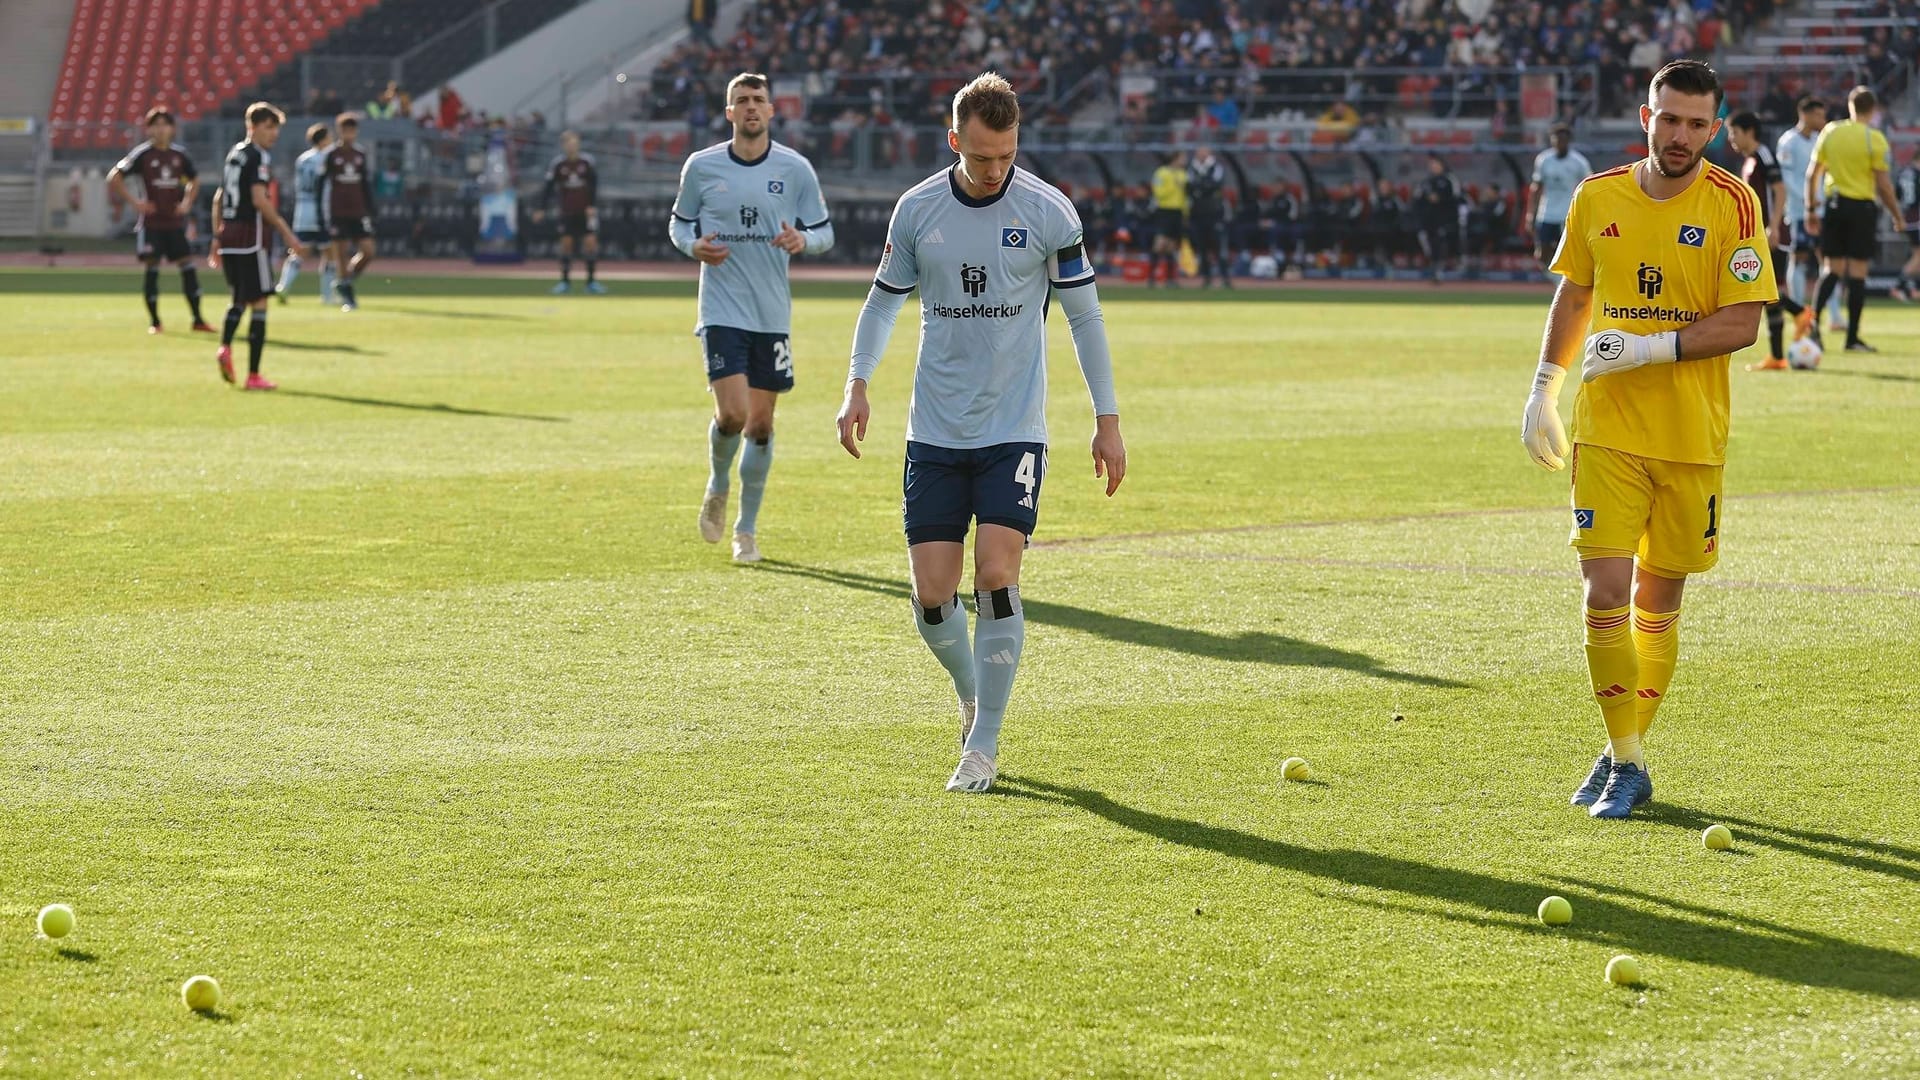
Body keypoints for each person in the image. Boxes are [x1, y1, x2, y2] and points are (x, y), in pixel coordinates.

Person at [834, 72, 1124, 795]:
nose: (996, 170)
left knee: (996, 573)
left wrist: (1107, 419)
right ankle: (971, 693)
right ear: (955, 139)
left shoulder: (1050, 212)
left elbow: (1085, 319)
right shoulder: (918, 210)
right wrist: (857, 382)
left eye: (1007, 156)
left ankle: (984, 745)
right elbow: (880, 305)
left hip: (1013, 427)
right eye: (983, 156)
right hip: (934, 429)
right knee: (933, 596)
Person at [1518, 60, 1773, 821]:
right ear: (1645, 116)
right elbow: (1576, 290)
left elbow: (1745, 321)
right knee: (1602, 594)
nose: (1681, 136)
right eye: (1669, 119)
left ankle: (1621, 748)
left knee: (1658, 599)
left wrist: (1646, 347)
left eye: (1698, 123)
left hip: (1692, 437)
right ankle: (1629, 760)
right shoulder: (1597, 196)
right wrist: (1542, 387)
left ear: (1715, 128)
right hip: (1610, 433)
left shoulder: (1735, 201)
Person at [668, 73, 833, 564]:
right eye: (741, 100)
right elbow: (680, 222)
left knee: (760, 426)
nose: (751, 107)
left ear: (772, 110)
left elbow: (824, 232)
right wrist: (691, 245)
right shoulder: (701, 166)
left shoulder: (795, 168)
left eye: (759, 99)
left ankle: (747, 529)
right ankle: (718, 484)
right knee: (733, 414)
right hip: (721, 308)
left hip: (771, 313)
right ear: (729, 113)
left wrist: (804, 241)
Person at [206, 102, 307, 391]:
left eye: (275, 127)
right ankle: (253, 375)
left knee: (238, 298)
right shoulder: (258, 157)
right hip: (252, 237)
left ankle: (225, 346)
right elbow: (260, 200)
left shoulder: (233, 155)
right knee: (260, 303)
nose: (273, 133)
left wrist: (216, 237)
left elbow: (218, 198)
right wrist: (288, 234)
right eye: (268, 127)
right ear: (252, 127)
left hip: (229, 236)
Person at [1805, 86, 1902, 353]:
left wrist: (1810, 209)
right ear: (1872, 110)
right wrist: (1897, 216)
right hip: (1861, 208)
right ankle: (1852, 339)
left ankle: (1812, 327)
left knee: (1831, 269)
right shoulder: (1874, 139)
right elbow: (1883, 185)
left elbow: (1813, 173)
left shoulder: (1831, 131)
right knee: (1858, 273)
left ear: (1850, 105)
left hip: (1834, 206)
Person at [107, 107, 211, 334]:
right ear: (149, 129)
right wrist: (135, 203)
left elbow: (195, 180)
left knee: (188, 266)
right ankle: (155, 322)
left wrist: (186, 203)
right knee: (152, 269)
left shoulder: (179, 155)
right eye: (156, 124)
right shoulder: (142, 155)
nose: (161, 129)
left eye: (165, 124)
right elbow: (114, 177)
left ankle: (198, 319)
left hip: (174, 223)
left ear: (172, 129)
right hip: (152, 223)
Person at [1727, 112, 1811, 370]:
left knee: (1766, 292)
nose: (1731, 138)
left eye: (1734, 132)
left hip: (1771, 234)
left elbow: (1780, 190)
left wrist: (1773, 226)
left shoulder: (1763, 156)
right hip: (1759, 234)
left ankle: (1800, 312)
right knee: (1768, 295)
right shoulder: (1751, 160)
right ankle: (1777, 356)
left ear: (1749, 131)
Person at [1773, 96, 1826, 310]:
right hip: (1798, 211)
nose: (1823, 119)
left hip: (1820, 208)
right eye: (1818, 115)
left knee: (1827, 259)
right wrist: (1806, 199)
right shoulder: (1788, 141)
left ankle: (1831, 313)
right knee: (1799, 256)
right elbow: (1786, 178)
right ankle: (1798, 306)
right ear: (1805, 114)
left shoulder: (1818, 140)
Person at [321, 113, 377, 311]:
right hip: (338, 212)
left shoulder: (360, 155)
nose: (349, 134)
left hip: (358, 211)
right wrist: (323, 212)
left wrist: (371, 209)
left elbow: (365, 183)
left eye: (352, 130)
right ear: (339, 131)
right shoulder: (331, 155)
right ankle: (348, 298)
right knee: (341, 255)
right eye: (346, 130)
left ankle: (345, 282)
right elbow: (322, 184)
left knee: (369, 251)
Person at [276, 123, 335, 304]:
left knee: (299, 251)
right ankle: (327, 296)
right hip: (321, 209)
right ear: (324, 138)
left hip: (302, 209)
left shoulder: (302, 159)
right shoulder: (328, 157)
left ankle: (283, 287)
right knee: (329, 252)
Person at [537, 131, 602, 294]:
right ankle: (565, 282)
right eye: (569, 144)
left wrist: (592, 206)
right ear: (564, 145)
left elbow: (594, 185)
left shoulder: (587, 162)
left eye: (575, 143)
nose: (572, 147)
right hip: (567, 211)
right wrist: (541, 208)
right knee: (566, 245)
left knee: (590, 243)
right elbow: (548, 188)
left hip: (586, 211)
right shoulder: (558, 165)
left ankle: (591, 282)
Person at [1525, 125, 1593, 271]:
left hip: (1567, 215)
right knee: (1542, 253)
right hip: (1546, 213)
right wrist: (1531, 214)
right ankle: (1553, 281)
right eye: (1556, 139)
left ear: (1568, 141)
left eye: (1562, 139)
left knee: (1568, 253)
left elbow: (1590, 186)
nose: (1559, 143)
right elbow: (1536, 188)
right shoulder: (1544, 159)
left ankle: (1564, 282)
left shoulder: (1579, 162)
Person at [1186, 145, 1229, 288]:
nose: (1202, 154)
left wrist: (1201, 187)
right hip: (1197, 212)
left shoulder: (1216, 166)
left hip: (1214, 212)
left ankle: (1225, 278)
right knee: (1202, 247)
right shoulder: (1191, 167)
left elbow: (1215, 184)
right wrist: (1203, 186)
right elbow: (1190, 185)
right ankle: (1207, 278)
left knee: (1219, 245)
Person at [1416, 154, 1461, 281]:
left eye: (1436, 164)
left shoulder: (1450, 179)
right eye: (1431, 165)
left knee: (1443, 241)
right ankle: (1434, 265)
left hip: (1446, 218)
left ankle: (1442, 267)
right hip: (1429, 218)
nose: (1433, 167)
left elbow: (1456, 197)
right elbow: (1418, 199)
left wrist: (1440, 199)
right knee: (1429, 241)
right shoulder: (1426, 182)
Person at [1148, 150, 1187, 286]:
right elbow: (1158, 193)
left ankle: (1170, 279)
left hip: (1178, 212)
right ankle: (1151, 277)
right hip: (1164, 211)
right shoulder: (1161, 173)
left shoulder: (1183, 174)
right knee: (1160, 244)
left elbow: (1185, 196)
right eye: (1182, 157)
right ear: (1175, 158)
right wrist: (1174, 186)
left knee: (1172, 246)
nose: (1185, 161)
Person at [1893, 147, 1920, 301]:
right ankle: (1899, 285)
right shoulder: (1917, 174)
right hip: (1917, 219)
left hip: (1906, 217)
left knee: (1916, 255)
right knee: (1918, 256)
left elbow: (1896, 195)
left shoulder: (1903, 172)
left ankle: (1909, 288)